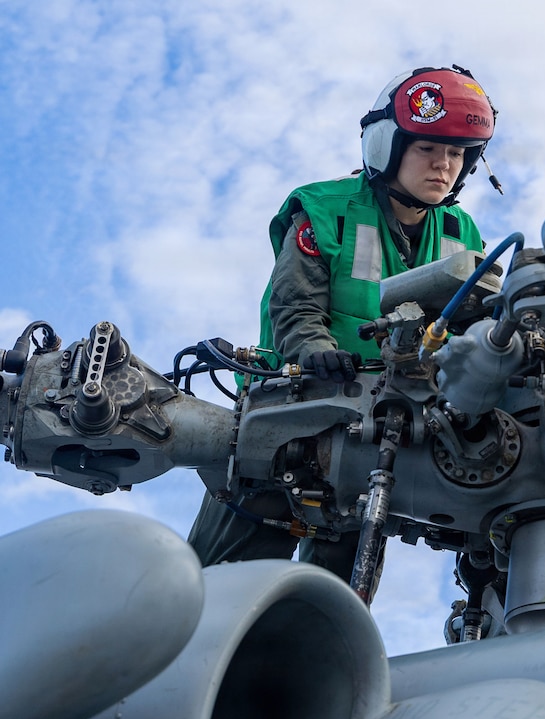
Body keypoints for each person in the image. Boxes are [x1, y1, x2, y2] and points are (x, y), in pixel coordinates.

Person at [187, 66, 498, 581]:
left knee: (337, 602)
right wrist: (313, 348)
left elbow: (473, 328)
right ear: (389, 147)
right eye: (427, 149)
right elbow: (293, 306)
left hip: (380, 438)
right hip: (291, 419)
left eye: (457, 154)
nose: (443, 166)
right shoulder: (324, 209)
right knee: (216, 589)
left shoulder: (463, 233)